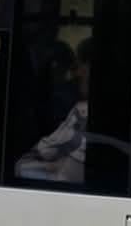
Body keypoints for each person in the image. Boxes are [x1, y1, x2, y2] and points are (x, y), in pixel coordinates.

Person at [15, 38, 91, 185]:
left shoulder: (82, 113)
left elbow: (22, 166)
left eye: (80, 65)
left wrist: (55, 165)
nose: (76, 74)